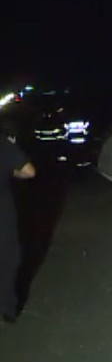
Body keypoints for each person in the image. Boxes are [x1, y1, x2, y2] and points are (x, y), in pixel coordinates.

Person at [0, 131, 36, 324]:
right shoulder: (3, 144)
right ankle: (7, 308)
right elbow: (29, 171)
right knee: (8, 259)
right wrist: (9, 170)